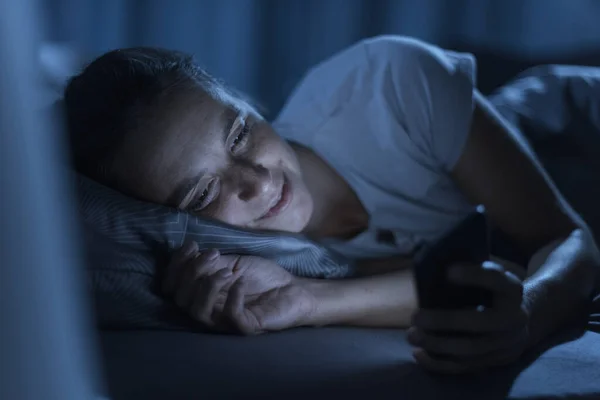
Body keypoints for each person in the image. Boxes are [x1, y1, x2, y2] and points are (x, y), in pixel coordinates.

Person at [63, 35, 600, 374]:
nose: (257, 182)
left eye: (240, 135)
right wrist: (306, 300)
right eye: (204, 192)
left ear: (245, 101)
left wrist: (528, 314)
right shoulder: (270, 258)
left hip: (569, 133)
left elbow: (567, 241)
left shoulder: (389, 82)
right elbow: (487, 271)